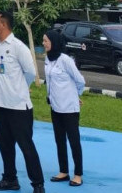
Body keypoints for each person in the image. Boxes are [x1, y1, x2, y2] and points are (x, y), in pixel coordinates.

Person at [0, 12, 45, 193]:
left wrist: (20, 89)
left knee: (26, 147)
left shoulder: (18, 46)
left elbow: (30, 73)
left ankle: (38, 184)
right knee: (5, 146)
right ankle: (10, 179)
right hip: (0, 105)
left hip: (18, 107)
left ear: (3, 24)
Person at [43, 29, 85, 187]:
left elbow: (80, 80)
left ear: (53, 42)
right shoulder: (48, 59)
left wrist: (76, 95)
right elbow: (49, 81)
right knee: (59, 140)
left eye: (46, 40)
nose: (43, 43)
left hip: (69, 108)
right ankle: (63, 171)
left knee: (74, 141)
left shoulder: (65, 60)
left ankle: (78, 174)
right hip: (55, 107)